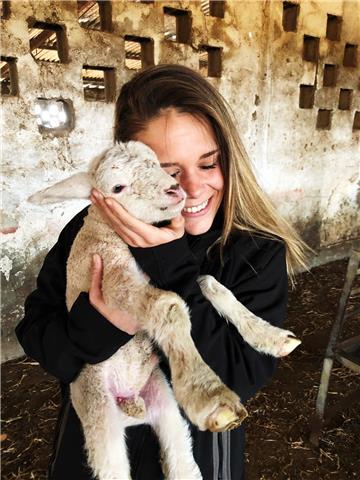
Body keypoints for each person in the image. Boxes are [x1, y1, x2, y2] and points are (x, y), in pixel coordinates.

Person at [16, 64, 307, 480]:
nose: (188, 189)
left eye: (209, 163)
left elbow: (239, 378)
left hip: (196, 455)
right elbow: (40, 339)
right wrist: (100, 326)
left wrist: (170, 264)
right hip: (99, 450)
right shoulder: (92, 229)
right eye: (168, 172)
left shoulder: (254, 252)